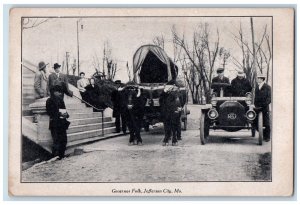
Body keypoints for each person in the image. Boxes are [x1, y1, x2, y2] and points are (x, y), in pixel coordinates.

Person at [46, 85, 70, 159]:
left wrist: (66, 115)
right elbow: (49, 112)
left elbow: (65, 111)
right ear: (54, 92)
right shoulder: (49, 101)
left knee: (64, 139)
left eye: (60, 92)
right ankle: (54, 155)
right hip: (55, 124)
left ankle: (61, 155)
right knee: (56, 140)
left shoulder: (61, 100)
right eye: (58, 92)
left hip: (62, 123)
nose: (60, 93)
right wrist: (59, 113)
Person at [254, 74, 271, 142]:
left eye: (259, 78)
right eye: (257, 78)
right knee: (255, 121)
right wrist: (255, 104)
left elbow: (269, 98)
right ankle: (262, 134)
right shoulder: (257, 87)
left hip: (264, 107)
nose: (257, 79)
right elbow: (255, 97)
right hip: (257, 107)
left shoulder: (268, 87)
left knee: (266, 122)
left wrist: (264, 104)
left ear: (262, 79)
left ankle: (267, 137)